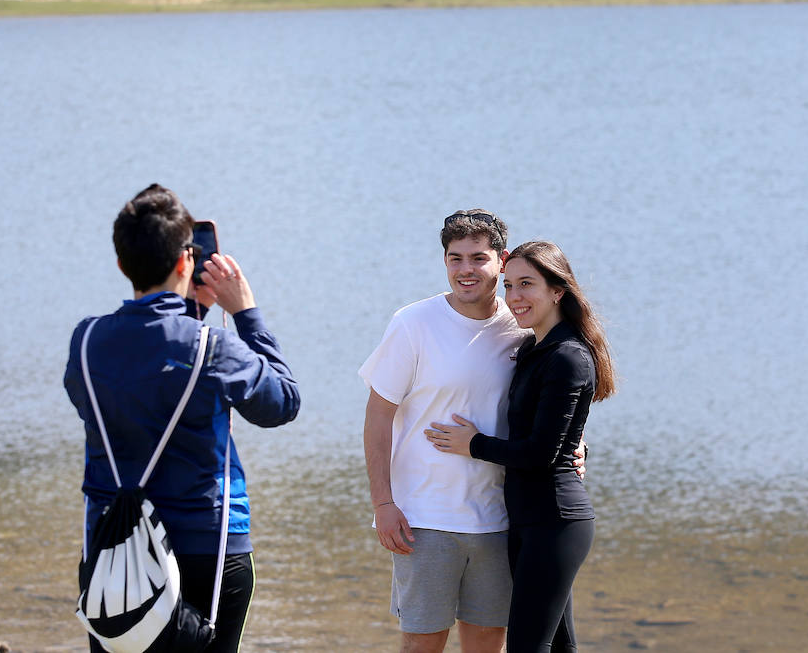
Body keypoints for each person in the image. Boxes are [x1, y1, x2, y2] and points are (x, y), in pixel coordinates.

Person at [65, 184, 301, 653]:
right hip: (206, 545)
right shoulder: (212, 347)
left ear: (121, 265)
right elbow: (282, 403)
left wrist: (189, 314)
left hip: (113, 547)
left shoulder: (86, 341)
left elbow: (146, 376)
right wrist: (245, 313)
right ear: (185, 261)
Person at [425, 240, 616, 653]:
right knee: (558, 644)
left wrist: (473, 444)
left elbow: (540, 453)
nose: (515, 297)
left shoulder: (567, 356)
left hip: (555, 520)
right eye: (509, 285)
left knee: (528, 646)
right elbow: (557, 432)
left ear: (557, 290)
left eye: (527, 284)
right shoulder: (533, 348)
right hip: (528, 520)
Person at [359, 209, 525, 653]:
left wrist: (575, 444)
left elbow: (550, 401)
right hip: (424, 518)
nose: (465, 270)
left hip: (499, 518)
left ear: (502, 260)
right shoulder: (413, 323)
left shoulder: (521, 326)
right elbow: (378, 417)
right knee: (422, 643)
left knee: (489, 642)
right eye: (455, 259)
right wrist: (383, 502)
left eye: (477, 258)